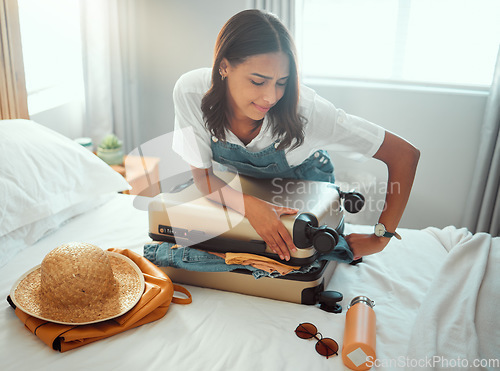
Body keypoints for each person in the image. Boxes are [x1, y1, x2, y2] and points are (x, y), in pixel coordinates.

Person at [172, 9, 419, 262]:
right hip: (244, 189)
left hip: (304, 189)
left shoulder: (310, 112)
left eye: (282, 83)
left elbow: (404, 155)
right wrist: (252, 207)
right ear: (224, 67)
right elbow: (203, 178)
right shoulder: (191, 93)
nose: (271, 97)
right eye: (258, 81)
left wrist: (380, 238)